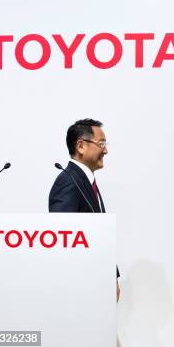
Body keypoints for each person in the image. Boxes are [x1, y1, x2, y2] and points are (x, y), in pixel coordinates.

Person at [49, 118, 120, 301]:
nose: (105, 150)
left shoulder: (85, 181)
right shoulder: (69, 181)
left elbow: (101, 236)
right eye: (101, 143)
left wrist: (112, 275)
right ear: (81, 146)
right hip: (79, 289)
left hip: (94, 282)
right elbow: (62, 239)